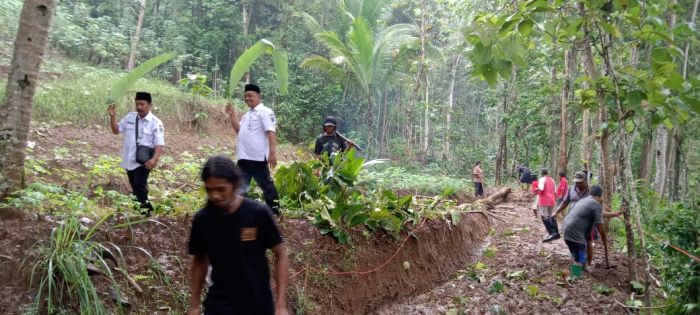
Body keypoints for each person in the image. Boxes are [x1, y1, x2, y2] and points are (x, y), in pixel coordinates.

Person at [187, 155, 289, 315]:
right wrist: (194, 304)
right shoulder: (203, 220)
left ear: (234, 185)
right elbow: (200, 260)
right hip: (218, 306)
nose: (215, 196)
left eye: (221, 189)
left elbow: (280, 254)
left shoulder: (257, 213)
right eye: (209, 190)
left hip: (258, 306)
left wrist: (281, 304)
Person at [225, 84, 280, 215]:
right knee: (240, 187)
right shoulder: (247, 115)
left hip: (257, 158)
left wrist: (272, 154)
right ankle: (237, 212)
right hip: (244, 157)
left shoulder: (265, 112)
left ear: (259, 96)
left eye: (250, 95)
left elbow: (271, 132)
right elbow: (239, 131)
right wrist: (232, 115)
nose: (247, 98)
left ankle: (275, 212)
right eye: (245, 96)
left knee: (266, 185)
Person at [108, 92, 164, 215]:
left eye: (142, 104)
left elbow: (159, 144)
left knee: (139, 185)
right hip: (129, 159)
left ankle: (147, 214)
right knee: (136, 187)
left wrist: (154, 159)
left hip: (143, 161)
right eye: (137, 104)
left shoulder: (156, 123)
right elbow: (116, 130)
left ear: (150, 105)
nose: (139, 107)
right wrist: (112, 116)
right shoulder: (130, 117)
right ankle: (140, 212)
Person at [562, 185, 607, 272]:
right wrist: (604, 237)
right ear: (600, 195)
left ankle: (581, 272)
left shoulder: (584, 200)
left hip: (566, 229)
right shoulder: (596, 204)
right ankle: (575, 276)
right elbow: (600, 226)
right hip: (575, 232)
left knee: (579, 255)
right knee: (580, 257)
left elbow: (600, 214)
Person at [532, 168, 558, 242]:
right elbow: (555, 191)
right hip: (552, 199)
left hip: (544, 199)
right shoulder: (552, 180)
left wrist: (536, 189)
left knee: (544, 217)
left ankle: (550, 233)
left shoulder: (542, 179)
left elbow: (541, 188)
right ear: (547, 173)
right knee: (550, 216)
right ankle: (554, 233)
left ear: (541, 173)